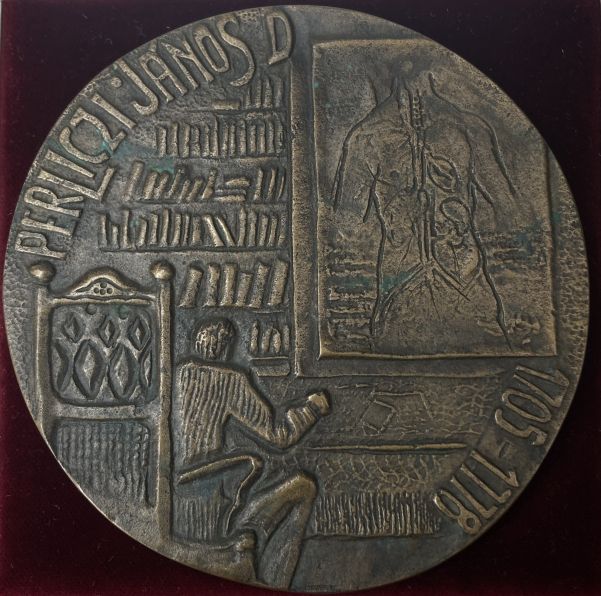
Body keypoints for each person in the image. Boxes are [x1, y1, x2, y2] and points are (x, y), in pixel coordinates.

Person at [332, 72, 535, 355]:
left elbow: (512, 212)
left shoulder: (467, 127)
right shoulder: (367, 136)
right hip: (402, 282)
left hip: (464, 277)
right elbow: (344, 227)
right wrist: (398, 215)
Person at [174, 317, 330, 589]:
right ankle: (274, 582)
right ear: (225, 347)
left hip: (179, 498)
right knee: (304, 487)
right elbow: (279, 436)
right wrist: (312, 409)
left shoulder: (177, 374)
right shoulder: (229, 380)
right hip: (216, 507)